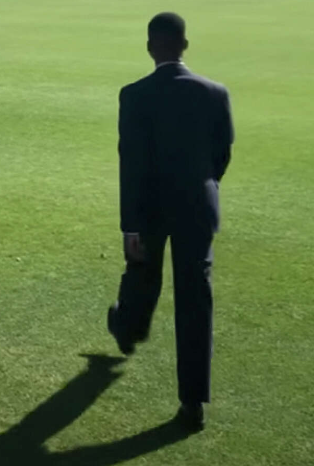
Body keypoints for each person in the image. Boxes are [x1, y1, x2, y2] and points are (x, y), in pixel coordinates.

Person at [106, 12, 234, 432]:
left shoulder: (134, 95)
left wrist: (130, 226)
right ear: (185, 46)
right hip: (197, 207)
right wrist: (202, 187)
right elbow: (222, 154)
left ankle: (127, 328)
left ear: (150, 48)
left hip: (150, 207)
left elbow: (130, 163)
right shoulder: (215, 93)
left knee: (142, 270)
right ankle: (192, 403)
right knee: (195, 300)